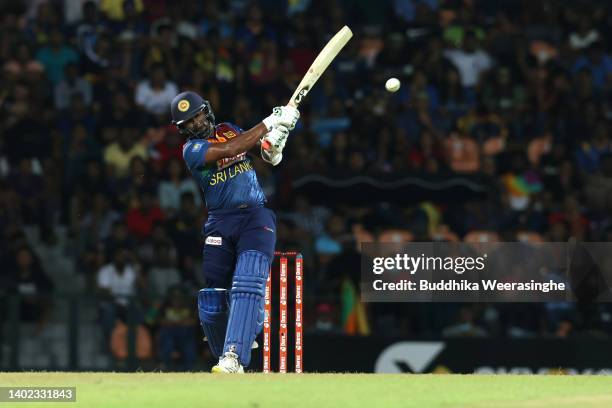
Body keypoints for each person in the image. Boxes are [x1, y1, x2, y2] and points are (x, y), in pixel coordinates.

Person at [170, 91, 299, 373]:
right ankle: (232, 347)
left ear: (207, 111)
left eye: (198, 115)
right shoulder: (192, 150)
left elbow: (266, 154)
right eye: (188, 122)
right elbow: (230, 151)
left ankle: (233, 357)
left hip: (255, 216)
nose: (195, 123)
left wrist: (277, 139)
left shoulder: (229, 129)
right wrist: (271, 120)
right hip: (220, 221)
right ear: (182, 129)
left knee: (248, 280)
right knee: (213, 297)